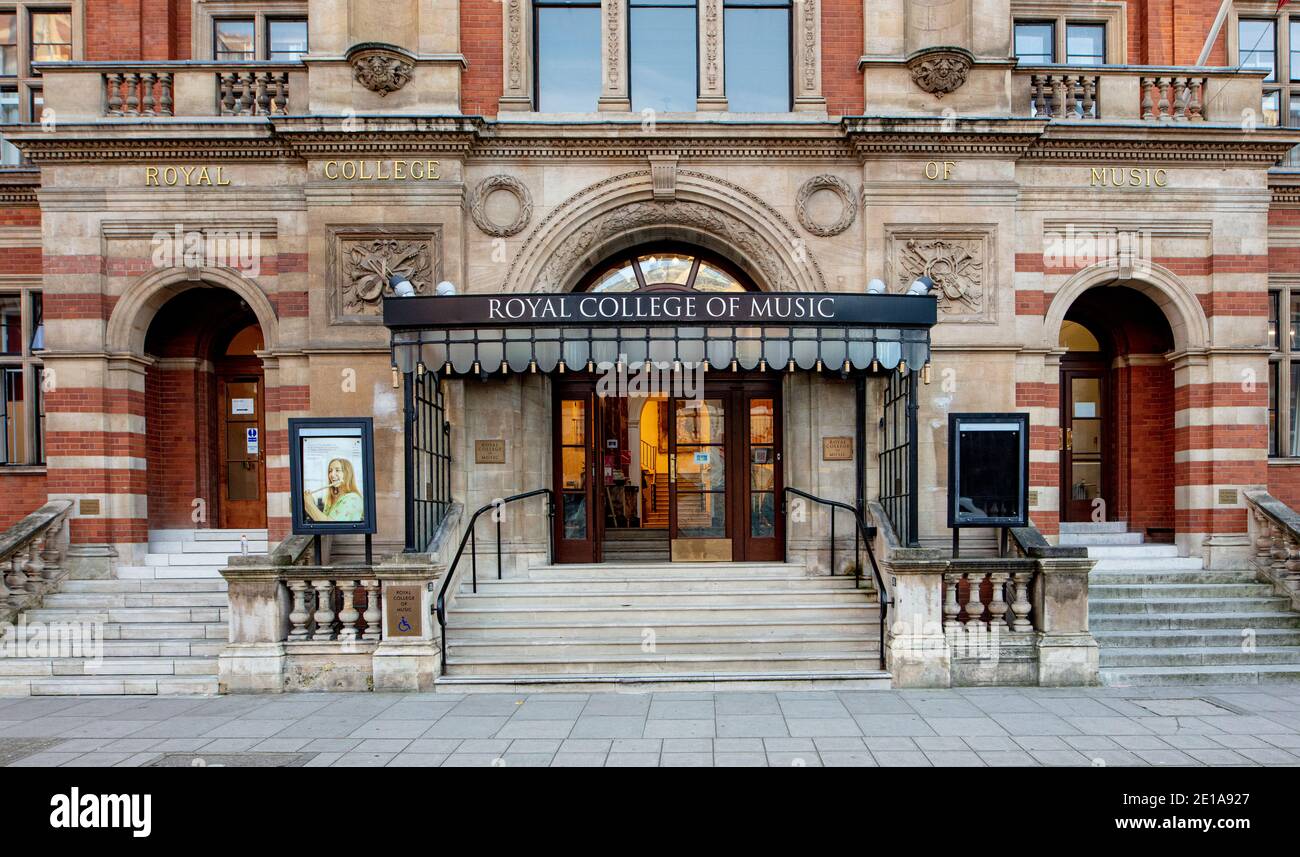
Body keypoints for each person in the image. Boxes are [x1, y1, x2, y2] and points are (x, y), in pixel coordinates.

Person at [303, 457, 364, 522]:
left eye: (337, 470)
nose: (332, 474)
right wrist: (309, 503)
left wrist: (310, 504)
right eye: (330, 471)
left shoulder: (353, 499)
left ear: (347, 473)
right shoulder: (331, 498)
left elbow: (329, 525)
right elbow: (322, 523)